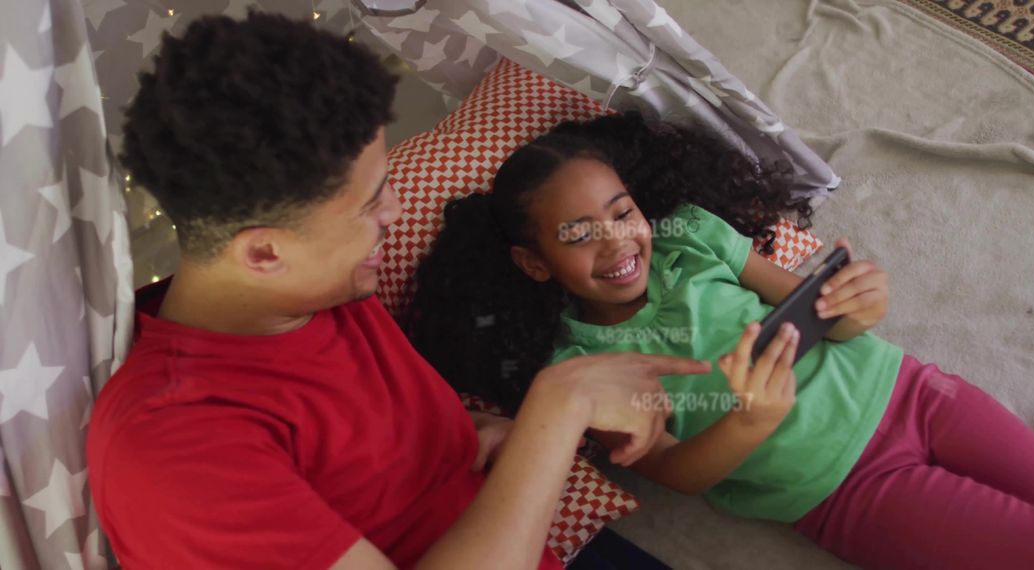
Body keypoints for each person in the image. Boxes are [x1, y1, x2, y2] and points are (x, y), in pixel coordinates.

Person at [85, 13, 712, 570]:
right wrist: (558, 409)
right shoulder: (174, 454)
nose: (396, 207)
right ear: (264, 251)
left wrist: (489, 432)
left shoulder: (312, 294)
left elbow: (362, 451)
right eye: (369, 202)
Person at [407, 112, 1034, 569]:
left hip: (919, 392)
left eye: (622, 214)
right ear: (534, 262)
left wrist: (862, 305)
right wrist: (750, 424)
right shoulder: (579, 367)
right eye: (578, 234)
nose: (617, 242)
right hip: (848, 487)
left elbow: (819, 312)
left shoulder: (692, 236)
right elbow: (678, 473)